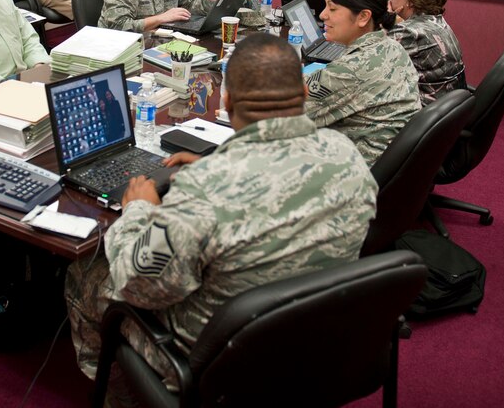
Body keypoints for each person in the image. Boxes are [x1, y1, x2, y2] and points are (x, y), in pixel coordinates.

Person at [65, 33, 377, 390]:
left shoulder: (204, 188)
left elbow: (139, 286)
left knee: (84, 274)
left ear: (227, 101)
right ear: (305, 93)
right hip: (319, 340)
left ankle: (122, 395)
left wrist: (138, 210)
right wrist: (218, 164)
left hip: (221, 363)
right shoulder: (347, 154)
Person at [305, 0, 421, 166]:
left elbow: (281, 115)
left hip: (351, 176)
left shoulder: (350, 71)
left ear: (363, 17)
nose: (323, 15)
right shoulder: (392, 47)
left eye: (332, 9)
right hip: (390, 169)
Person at [387, 0, 466, 104]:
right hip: (448, 108)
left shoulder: (408, 32)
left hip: (421, 112)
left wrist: (385, 20)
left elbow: (367, 61)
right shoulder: (438, 22)